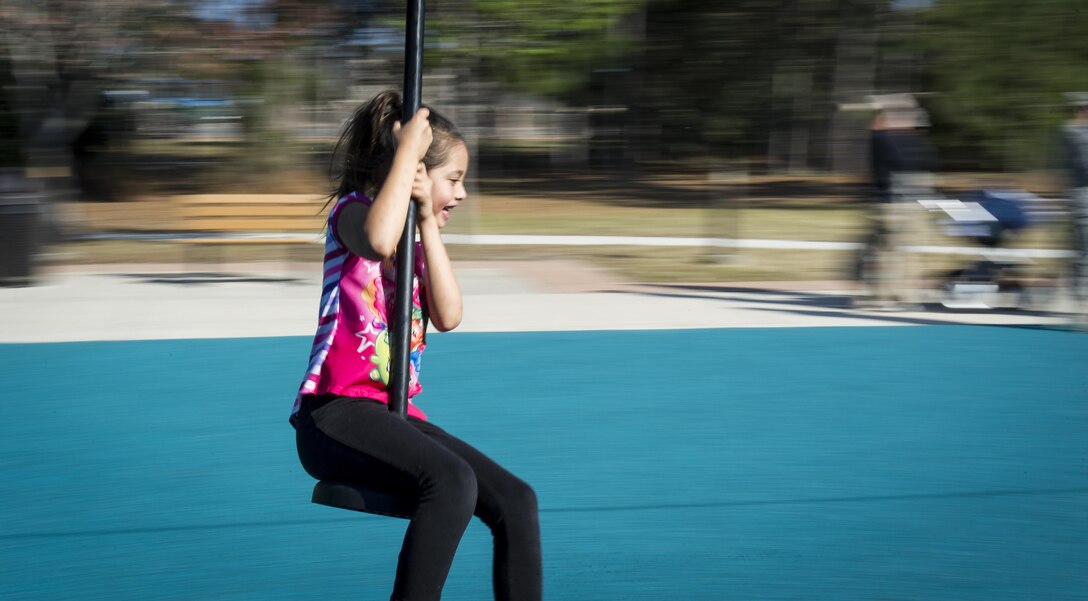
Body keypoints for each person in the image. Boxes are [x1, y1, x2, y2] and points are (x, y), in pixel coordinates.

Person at [290, 90, 542, 601]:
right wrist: (406, 157)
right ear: (416, 174)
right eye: (454, 179)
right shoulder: (352, 214)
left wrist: (427, 218)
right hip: (334, 416)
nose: (463, 193)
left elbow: (448, 315)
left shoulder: (416, 240)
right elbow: (378, 242)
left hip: (392, 415)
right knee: (451, 481)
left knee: (516, 500)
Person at [858, 93, 938, 309]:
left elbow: (876, 129)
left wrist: (884, 106)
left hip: (891, 203)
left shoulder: (882, 140)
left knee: (886, 252)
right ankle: (902, 295)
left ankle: (884, 296)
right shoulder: (908, 142)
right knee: (902, 252)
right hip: (903, 204)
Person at [1061, 92, 1088, 327]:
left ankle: (1078, 299)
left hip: (1079, 197)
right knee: (1085, 253)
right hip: (1084, 198)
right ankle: (1081, 302)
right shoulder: (1075, 134)